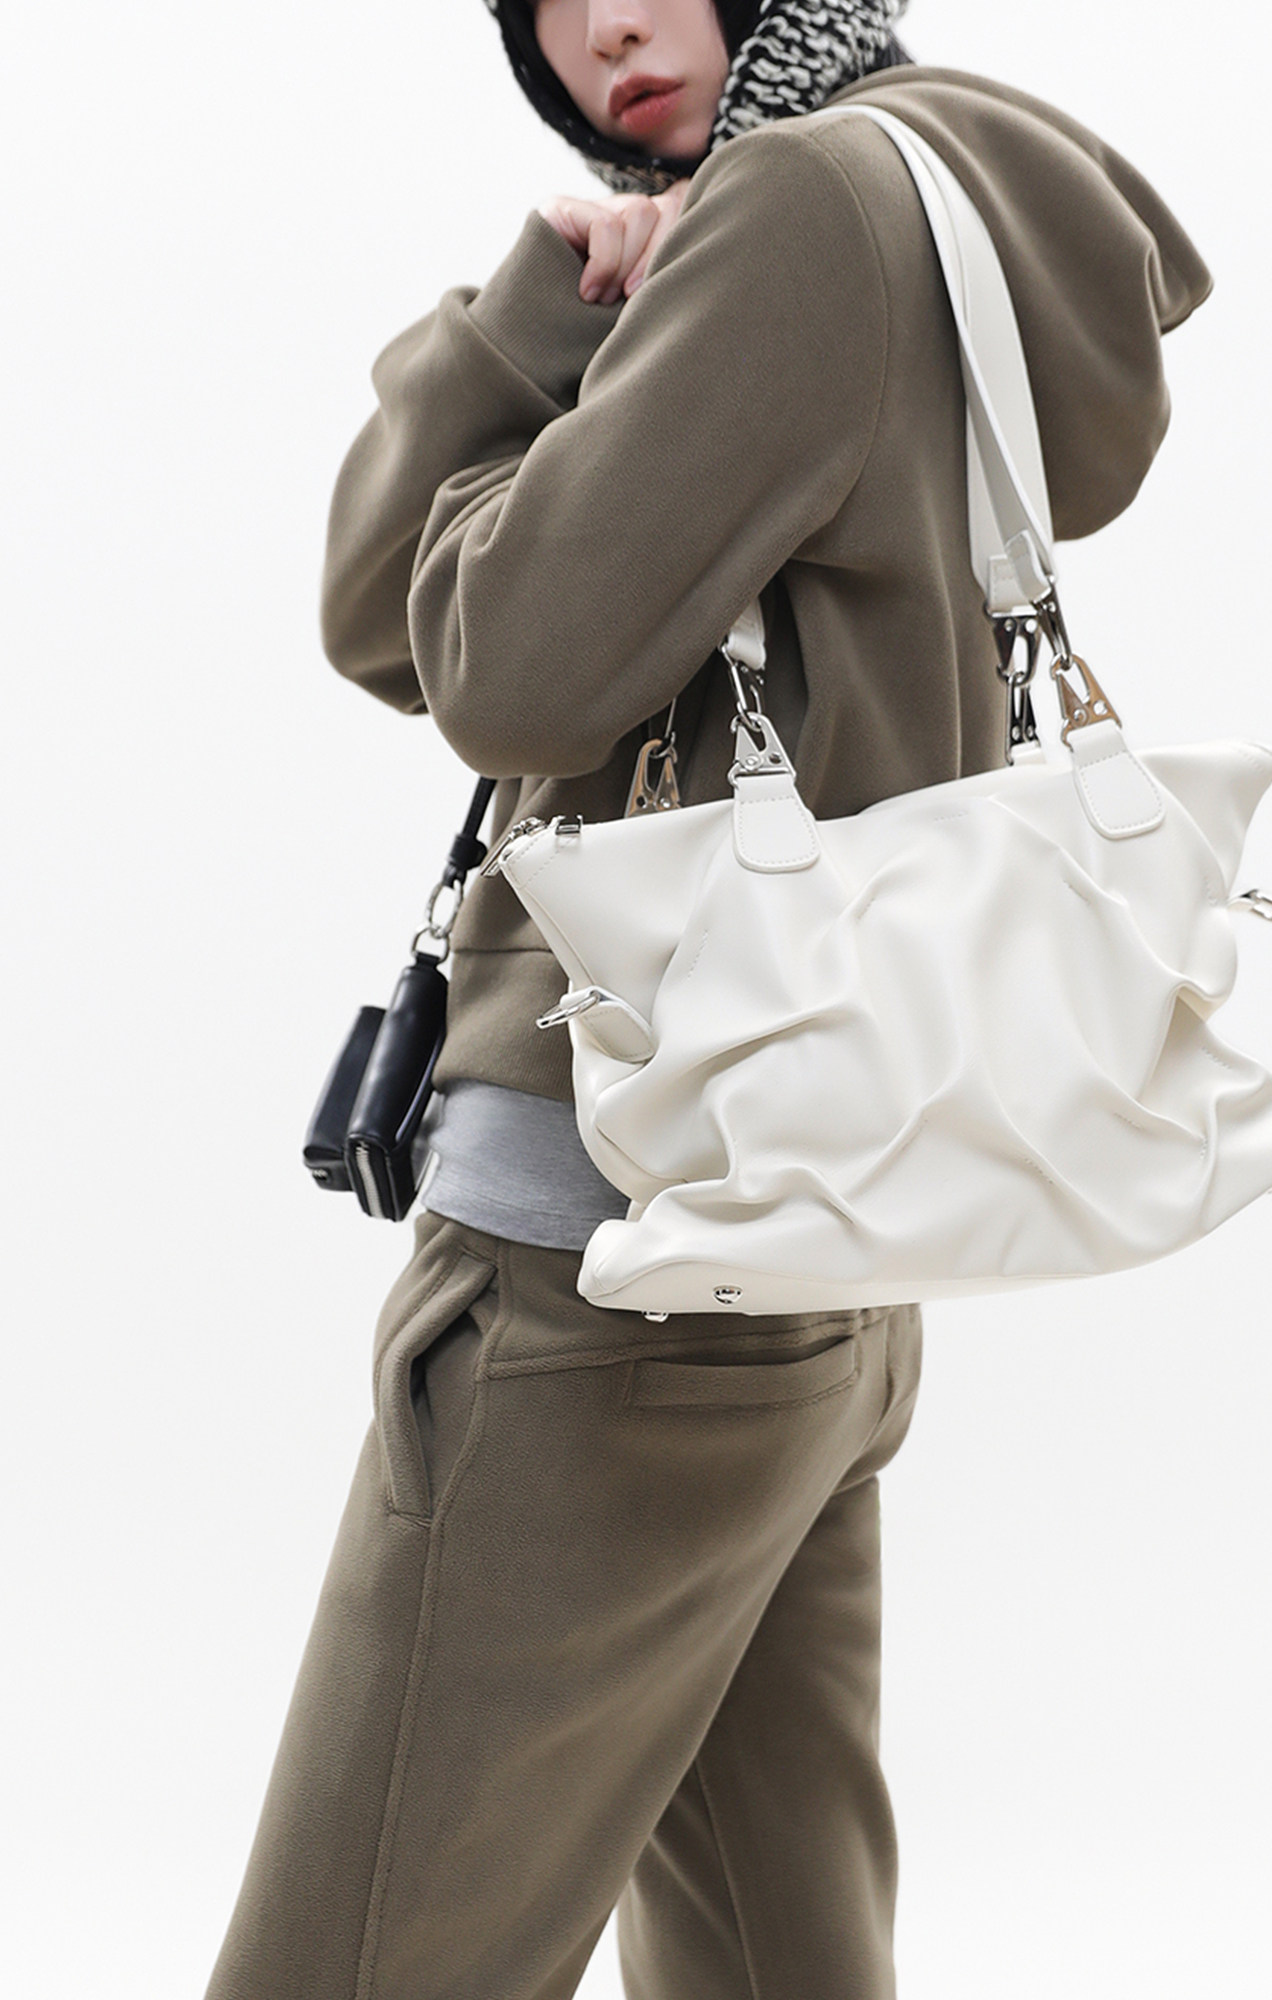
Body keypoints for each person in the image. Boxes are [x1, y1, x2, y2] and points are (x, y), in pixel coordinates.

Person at [204, 3, 1211, 1995]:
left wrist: (531, 331)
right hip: (825, 1241)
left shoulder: (789, 213)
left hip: (611, 1256)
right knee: (775, 1950)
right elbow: (412, 624)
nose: (601, 27)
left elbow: (490, 660)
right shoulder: (950, 184)